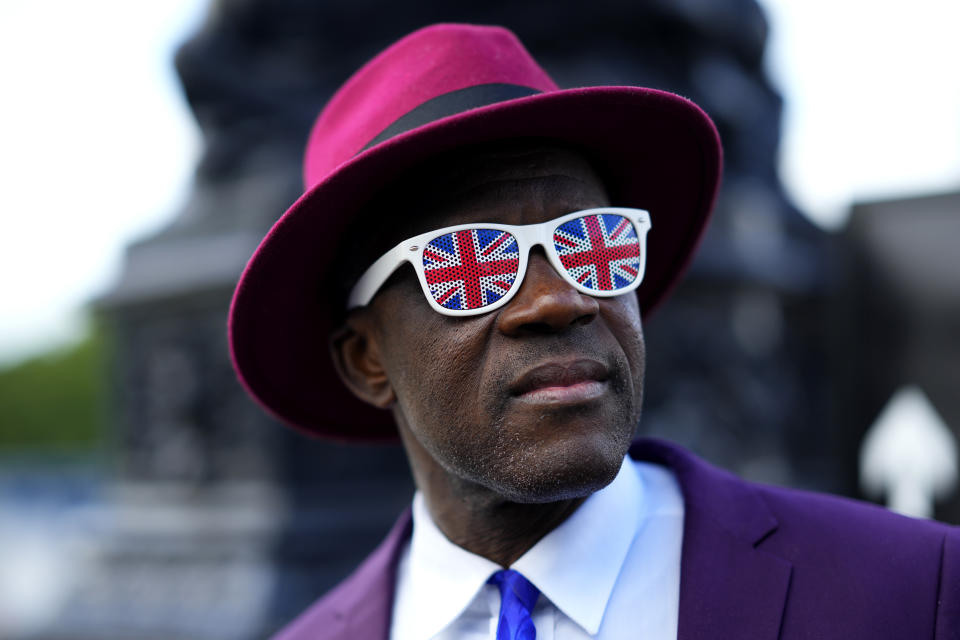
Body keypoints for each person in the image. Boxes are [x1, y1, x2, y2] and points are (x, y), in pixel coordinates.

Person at [228, 24, 959, 640]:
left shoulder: (912, 593)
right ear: (366, 360)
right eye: (472, 262)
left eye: (595, 241)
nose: (558, 299)